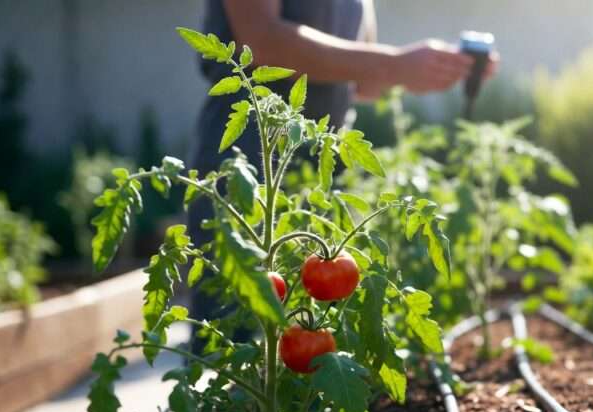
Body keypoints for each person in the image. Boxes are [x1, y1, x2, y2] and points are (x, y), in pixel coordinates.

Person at [188, 0, 494, 333]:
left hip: (322, 177)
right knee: (232, 332)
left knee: (312, 334)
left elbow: (361, 81)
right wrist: (394, 64)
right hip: (249, 166)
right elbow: (262, 41)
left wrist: (432, 68)